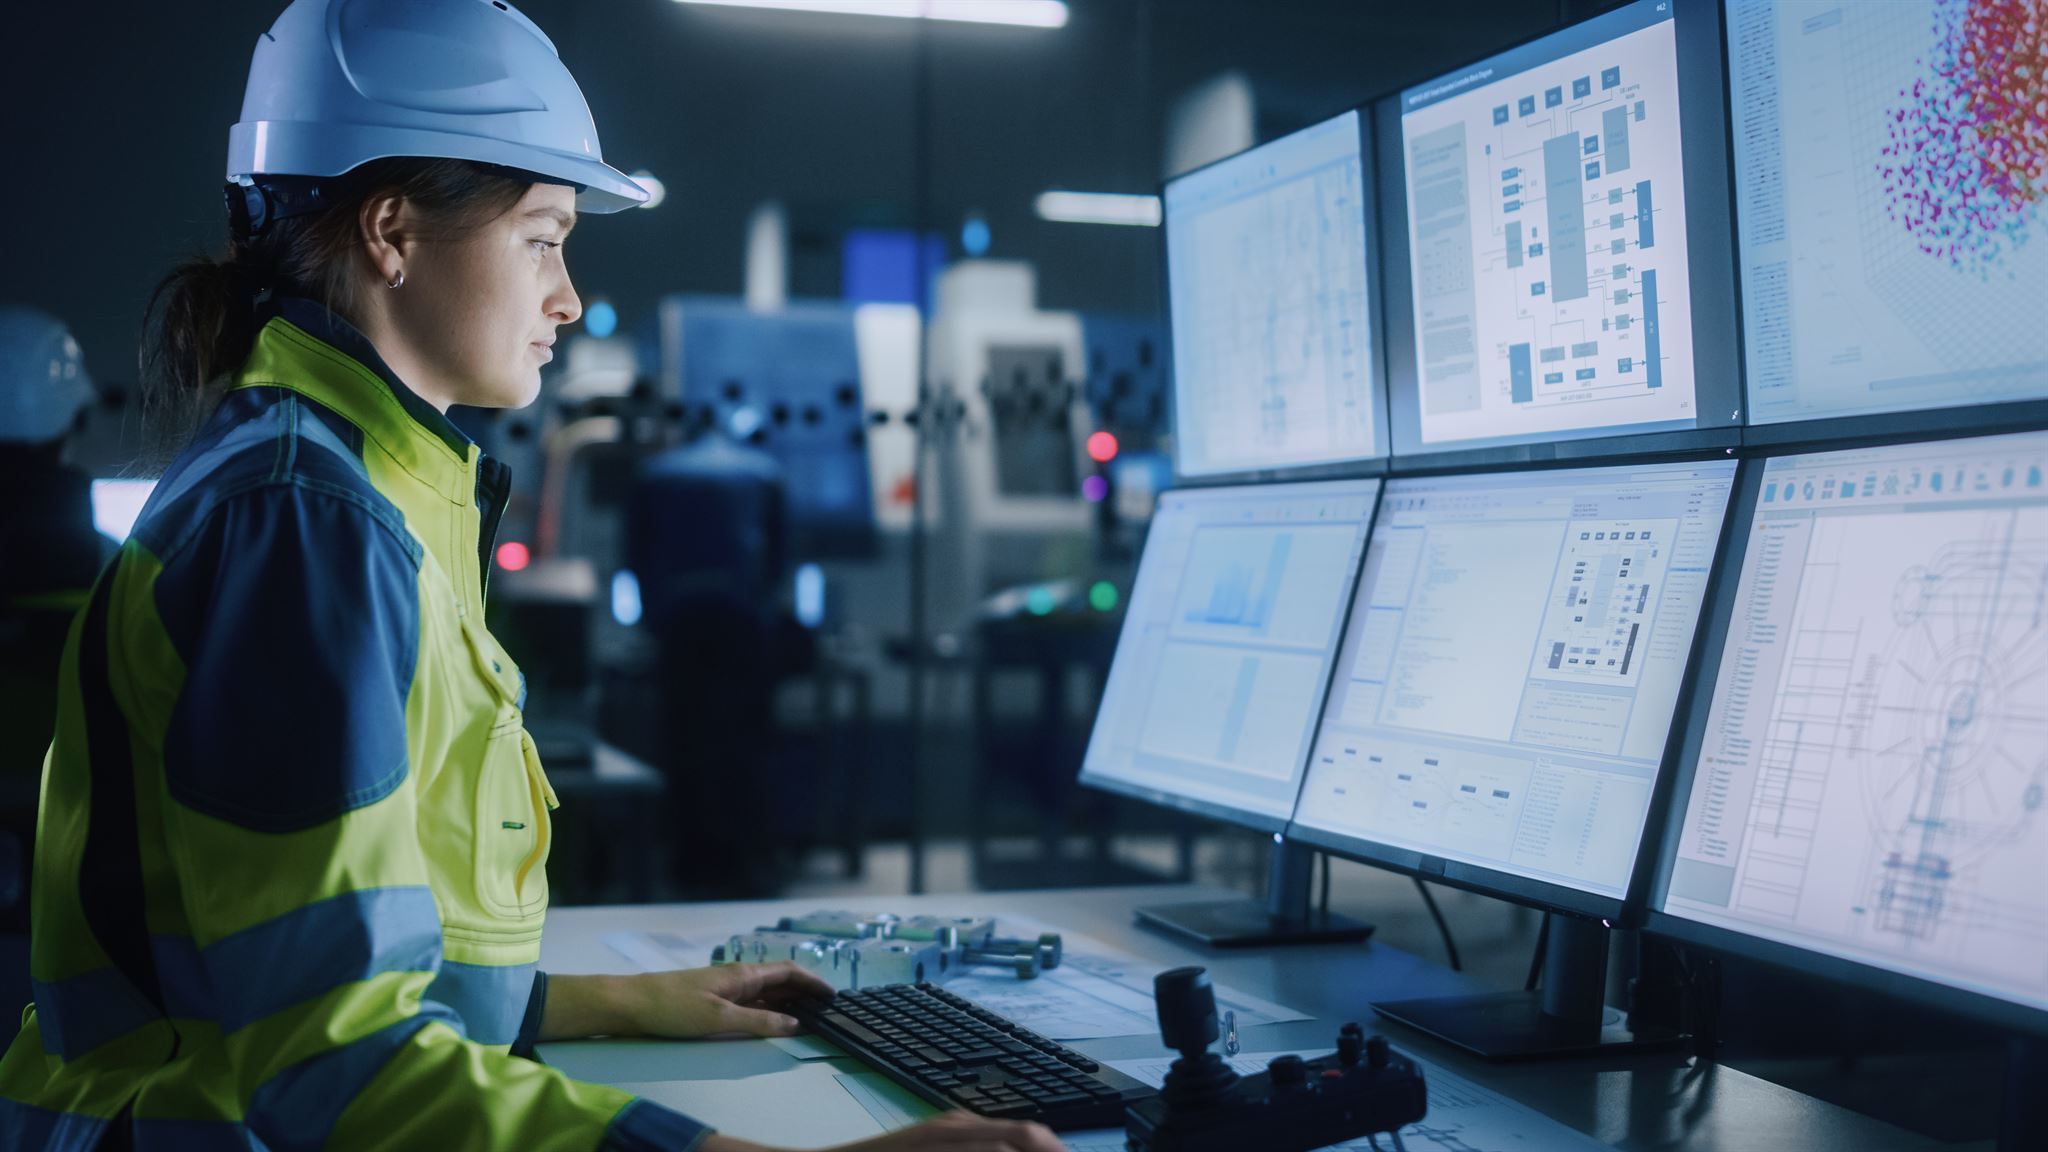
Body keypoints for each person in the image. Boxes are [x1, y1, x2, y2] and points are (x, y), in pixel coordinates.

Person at [0, 3, 1061, 1150]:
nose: (566, 297)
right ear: (392, 231)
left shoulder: (371, 484)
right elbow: (329, 1065)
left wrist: (605, 1000)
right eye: (543, 238)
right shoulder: (303, 520)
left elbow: (306, 947)